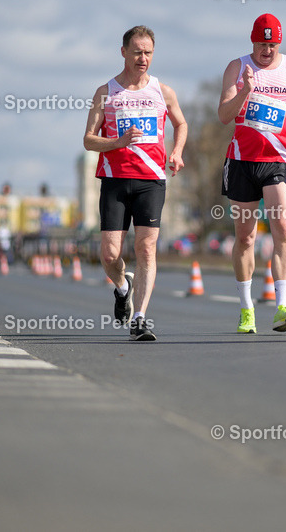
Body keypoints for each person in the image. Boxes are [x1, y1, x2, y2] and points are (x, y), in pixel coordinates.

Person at [83, 25, 187, 342]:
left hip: (151, 180)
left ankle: (140, 319)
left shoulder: (163, 91)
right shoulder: (106, 92)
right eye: (137, 51)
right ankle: (122, 286)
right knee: (109, 254)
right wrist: (118, 141)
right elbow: (88, 140)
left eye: (148, 53)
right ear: (124, 52)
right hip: (115, 180)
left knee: (146, 248)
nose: (143, 58)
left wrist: (177, 152)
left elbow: (181, 123)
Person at [217, 14, 286, 334]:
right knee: (245, 236)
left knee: (283, 229)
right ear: (253, 41)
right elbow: (223, 116)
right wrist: (245, 90)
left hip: (279, 159)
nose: (267, 51)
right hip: (242, 161)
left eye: (273, 45)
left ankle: (281, 307)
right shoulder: (237, 67)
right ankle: (247, 310)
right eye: (262, 44)